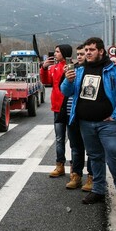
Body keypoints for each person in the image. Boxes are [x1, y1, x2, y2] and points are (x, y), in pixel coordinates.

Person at [62, 37, 116, 204]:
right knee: (94, 156)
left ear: (101, 51)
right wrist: (68, 81)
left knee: (114, 154)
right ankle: (97, 190)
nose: (88, 53)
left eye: (91, 50)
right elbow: (66, 91)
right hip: (85, 123)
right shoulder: (78, 71)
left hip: (109, 123)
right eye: (86, 51)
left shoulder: (115, 71)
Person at [64, 44, 94, 191]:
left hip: (88, 117)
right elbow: (65, 91)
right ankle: (76, 176)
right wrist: (67, 80)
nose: (81, 56)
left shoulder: (93, 72)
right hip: (72, 116)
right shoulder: (73, 71)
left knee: (91, 149)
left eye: (83, 53)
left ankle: (91, 177)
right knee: (76, 148)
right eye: (79, 54)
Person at [40, 44, 72, 177]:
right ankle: (60, 165)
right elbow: (46, 81)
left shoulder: (69, 67)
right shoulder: (54, 67)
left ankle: (74, 168)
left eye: (58, 52)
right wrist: (44, 68)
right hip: (57, 108)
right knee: (59, 138)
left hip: (69, 108)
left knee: (73, 139)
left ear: (64, 53)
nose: (55, 54)